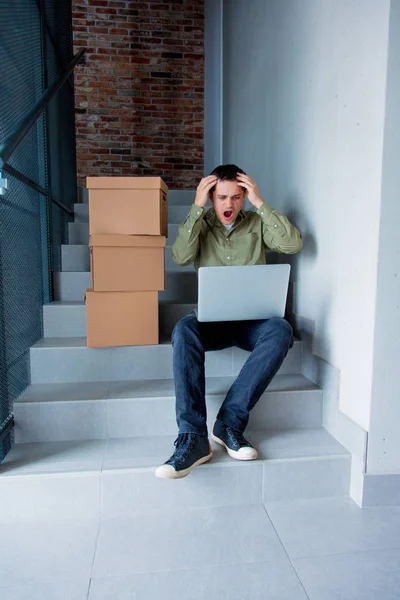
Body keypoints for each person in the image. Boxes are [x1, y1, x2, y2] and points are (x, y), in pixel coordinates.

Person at [155, 164, 302, 479]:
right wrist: (196, 207)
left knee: (281, 330)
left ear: (244, 197)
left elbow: (292, 244)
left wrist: (260, 203)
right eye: (221, 197)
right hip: (212, 321)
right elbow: (180, 256)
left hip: (253, 321)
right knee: (183, 329)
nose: (229, 205)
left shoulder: (255, 222)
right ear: (211, 197)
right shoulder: (202, 223)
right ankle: (193, 438)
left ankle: (230, 423)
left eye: (237, 197)